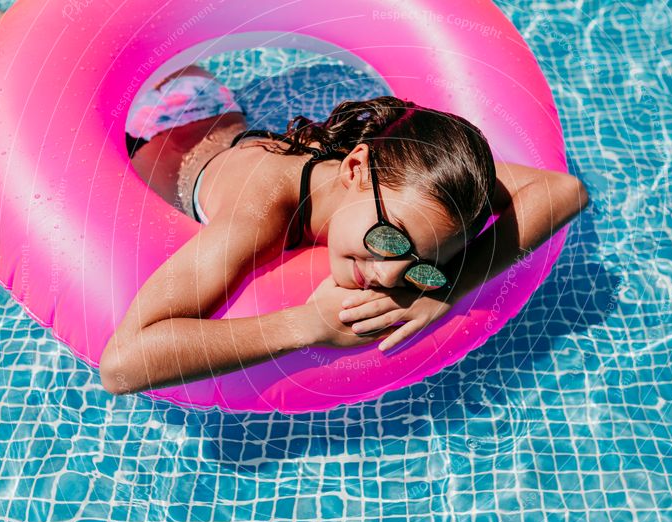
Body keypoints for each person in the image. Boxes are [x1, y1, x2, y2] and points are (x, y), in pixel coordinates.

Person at [100, 64, 589, 395]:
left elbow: (564, 191)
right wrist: (305, 326)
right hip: (152, 137)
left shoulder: (404, 184)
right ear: (356, 167)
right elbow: (122, 364)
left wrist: (448, 288)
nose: (390, 277)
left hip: (219, 118)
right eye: (391, 239)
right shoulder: (259, 216)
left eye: (420, 265)